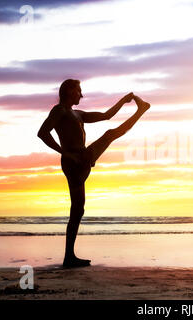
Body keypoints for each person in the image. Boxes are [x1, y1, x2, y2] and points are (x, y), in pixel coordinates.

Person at [37, 79, 150, 268]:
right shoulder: (60, 111)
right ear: (69, 91)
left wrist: (123, 101)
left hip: (83, 160)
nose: (81, 94)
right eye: (78, 90)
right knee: (109, 134)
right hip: (74, 162)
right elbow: (43, 133)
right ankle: (141, 110)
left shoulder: (78, 114)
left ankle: (69, 256)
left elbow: (107, 115)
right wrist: (65, 153)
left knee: (78, 210)